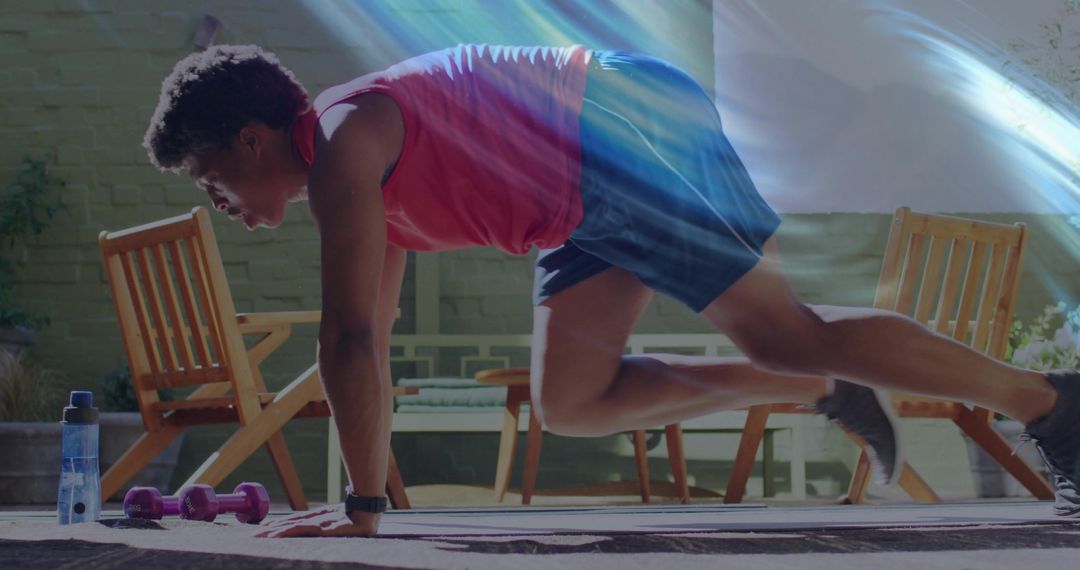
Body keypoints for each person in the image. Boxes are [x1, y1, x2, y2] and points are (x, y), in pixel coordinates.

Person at [143, 43, 1080, 538]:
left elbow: (346, 342)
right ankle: (820, 388)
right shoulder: (354, 172)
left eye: (211, 179)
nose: (219, 202)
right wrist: (368, 504)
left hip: (616, 129)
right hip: (578, 193)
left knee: (782, 328)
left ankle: (1052, 403)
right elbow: (369, 344)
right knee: (574, 401)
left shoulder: (345, 145)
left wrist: (363, 512)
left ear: (254, 140)